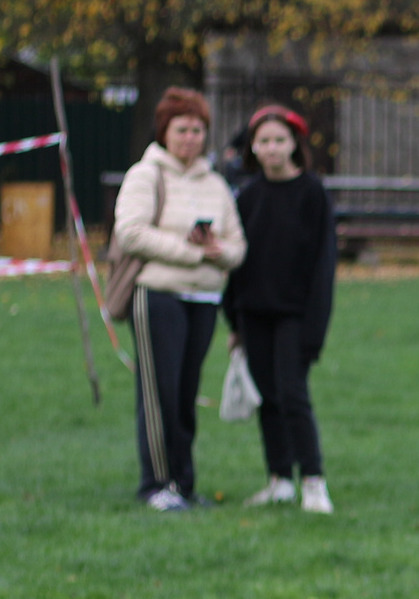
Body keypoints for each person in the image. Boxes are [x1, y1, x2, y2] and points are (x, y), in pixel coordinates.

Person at [113, 89, 246, 512]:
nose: (190, 138)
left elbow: (238, 244)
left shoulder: (216, 183)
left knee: (187, 392)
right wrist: (190, 251)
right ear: (164, 132)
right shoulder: (146, 174)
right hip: (158, 295)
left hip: (204, 297)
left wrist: (218, 251)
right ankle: (156, 485)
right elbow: (130, 233)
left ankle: (184, 485)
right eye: (181, 129)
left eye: (197, 130)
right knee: (159, 393)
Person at [225, 106, 339, 514]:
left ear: (294, 144)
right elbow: (237, 263)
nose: (271, 148)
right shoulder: (248, 196)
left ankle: (313, 480)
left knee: (293, 394)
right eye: (264, 141)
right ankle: (279, 479)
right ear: (253, 147)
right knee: (267, 397)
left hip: (295, 314)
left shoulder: (312, 193)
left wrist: (314, 327)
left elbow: (322, 267)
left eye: (279, 140)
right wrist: (234, 321)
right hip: (254, 312)